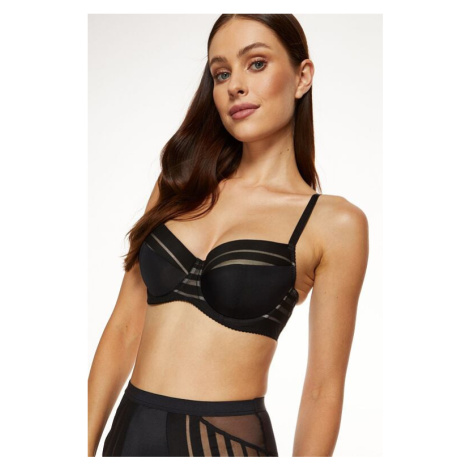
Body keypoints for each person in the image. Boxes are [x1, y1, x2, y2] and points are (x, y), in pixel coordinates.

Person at [88, 13, 369, 457]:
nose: (235, 85)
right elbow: (123, 328)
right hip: (127, 436)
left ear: (302, 77)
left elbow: (322, 389)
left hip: (223, 445)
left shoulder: (334, 223)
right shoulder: (180, 185)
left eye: (256, 63)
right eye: (221, 73)